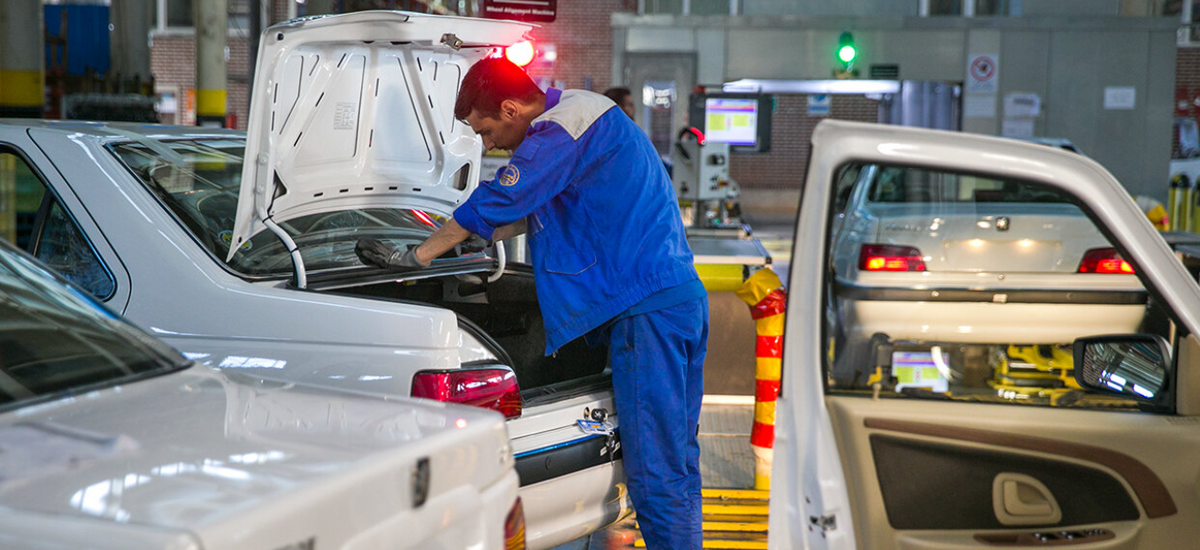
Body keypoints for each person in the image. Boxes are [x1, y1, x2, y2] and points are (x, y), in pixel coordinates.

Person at [356, 58, 707, 550]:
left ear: (509, 107)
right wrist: (459, 237)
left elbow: (502, 198)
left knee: (655, 474)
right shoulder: (583, 119)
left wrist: (414, 256)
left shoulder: (562, 127)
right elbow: (537, 208)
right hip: (672, 305)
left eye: (486, 129)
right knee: (678, 466)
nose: (486, 143)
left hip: (645, 314)